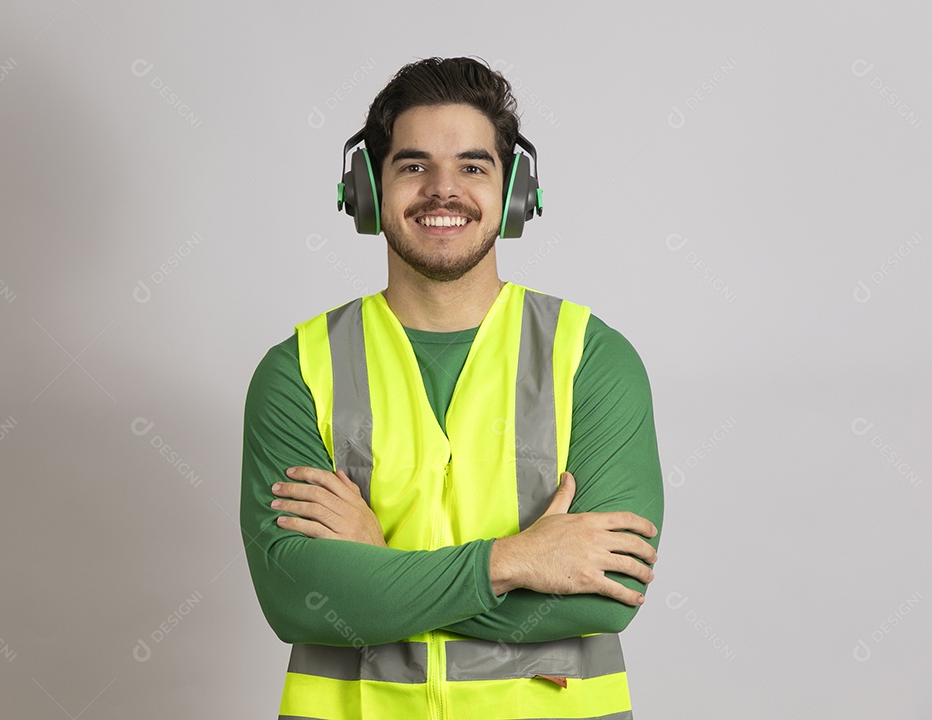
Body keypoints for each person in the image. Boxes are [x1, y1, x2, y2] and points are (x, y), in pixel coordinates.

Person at [240, 56, 663, 720]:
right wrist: (518, 560)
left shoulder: (594, 360)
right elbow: (300, 599)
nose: (444, 190)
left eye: (472, 166)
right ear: (368, 192)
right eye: (413, 166)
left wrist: (379, 572)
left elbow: (603, 592)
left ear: (516, 192)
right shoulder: (298, 369)